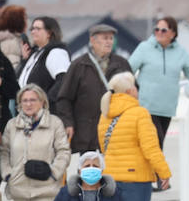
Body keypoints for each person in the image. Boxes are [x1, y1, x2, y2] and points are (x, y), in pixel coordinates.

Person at [98, 72, 171, 201]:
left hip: (110, 177)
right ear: (130, 91)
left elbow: (103, 146)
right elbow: (150, 148)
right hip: (135, 178)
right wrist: (164, 173)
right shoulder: (139, 113)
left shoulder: (105, 114)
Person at [0, 84, 70, 201]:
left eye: (33, 100)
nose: (28, 104)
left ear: (42, 102)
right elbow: (4, 152)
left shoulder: (54, 123)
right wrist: (7, 173)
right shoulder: (13, 125)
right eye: (25, 100)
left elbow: (63, 150)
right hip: (19, 185)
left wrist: (55, 172)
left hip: (45, 186)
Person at [54, 24, 133, 154]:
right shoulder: (79, 65)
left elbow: (133, 95)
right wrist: (68, 123)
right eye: (105, 38)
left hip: (115, 131)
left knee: (113, 172)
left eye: (111, 38)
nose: (109, 42)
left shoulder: (121, 63)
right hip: (87, 133)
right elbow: (64, 98)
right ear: (92, 41)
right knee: (88, 172)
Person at [129, 16, 189, 145]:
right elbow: (128, 70)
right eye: (156, 29)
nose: (159, 33)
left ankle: (153, 166)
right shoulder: (144, 48)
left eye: (163, 30)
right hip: (146, 107)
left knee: (158, 145)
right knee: (154, 144)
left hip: (167, 108)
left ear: (173, 33)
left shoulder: (180, 52)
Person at [18, 16, 70, 97]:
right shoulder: (35, 53)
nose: (33, 32)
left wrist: (46, 101)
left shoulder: (56, 52)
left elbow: (63, 80)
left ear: (49, 33)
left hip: (44, 108)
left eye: (37, 29)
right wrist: (24, 61)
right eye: (32, 29)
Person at [0, 4, 28, 69]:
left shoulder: (15, 39)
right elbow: (14, 70)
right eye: (24, 19)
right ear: (18, 21)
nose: (27, 22)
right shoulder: (10, 43)